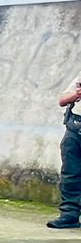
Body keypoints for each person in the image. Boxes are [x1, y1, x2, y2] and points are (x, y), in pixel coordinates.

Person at [49, 78, 81, 229]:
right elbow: (62, 100)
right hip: (75, 128)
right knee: (70, 174)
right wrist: (77, 94)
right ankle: (69, 215)